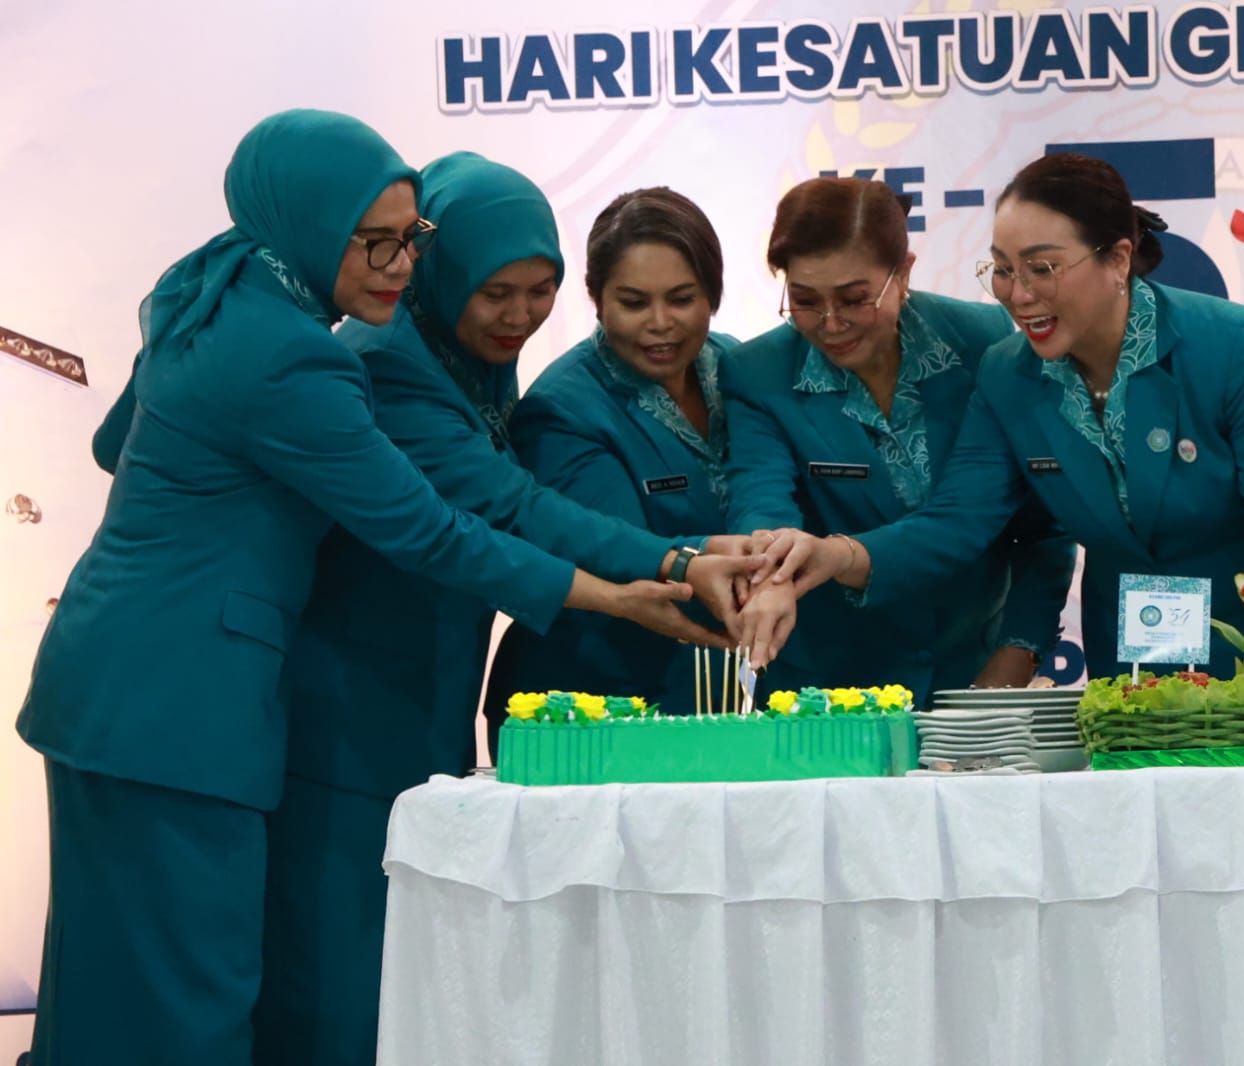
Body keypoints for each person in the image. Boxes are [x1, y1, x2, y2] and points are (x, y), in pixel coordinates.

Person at [17, 111, 748, 1065]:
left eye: (413, 238)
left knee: (115, 983)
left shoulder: (215, 282)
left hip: (120, 676)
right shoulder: (296, 355)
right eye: (376, 242)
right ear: (312, 223)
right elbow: (431, 527)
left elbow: (113, 444)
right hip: (177, 695)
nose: (401, 265)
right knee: (186, 996)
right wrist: (625, 590)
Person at [252, 157, 747, 1064]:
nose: (519, 316)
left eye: (538, 290)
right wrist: (676, 560)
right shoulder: (388, 365)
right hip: (350, 698)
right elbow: (512, 507)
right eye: (496, 292)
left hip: (426, 682)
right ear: (442, 273)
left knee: (411, 959)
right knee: (341, 960)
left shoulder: (469, 355)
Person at [744, 153, 1244, 680]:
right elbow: (958, 521)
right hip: (1145, 654)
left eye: (1042, 268)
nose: (1018, 294)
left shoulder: (1232, 346)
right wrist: (834, 554)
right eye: (1003, 270)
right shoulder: (1007, 374)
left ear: (1118, 259)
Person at [721, 176, 1074, 704]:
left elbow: (1043, 524)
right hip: (830, 690)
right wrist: (772, 570)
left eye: (855, 299)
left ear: (903, 273)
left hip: (974, 670)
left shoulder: (987, 345)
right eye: (805, 300)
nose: (831, 323)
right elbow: (761, 494)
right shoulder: (757, 372)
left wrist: (1018, 650)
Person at [485, 187, 744, 730]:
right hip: (588, 702)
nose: (660, 322)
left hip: (716, 694)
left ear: (713, 294)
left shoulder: (737, 366)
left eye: (682, 299)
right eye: (634, 302)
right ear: (597, 299)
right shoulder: (561, 407)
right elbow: (615, 549)